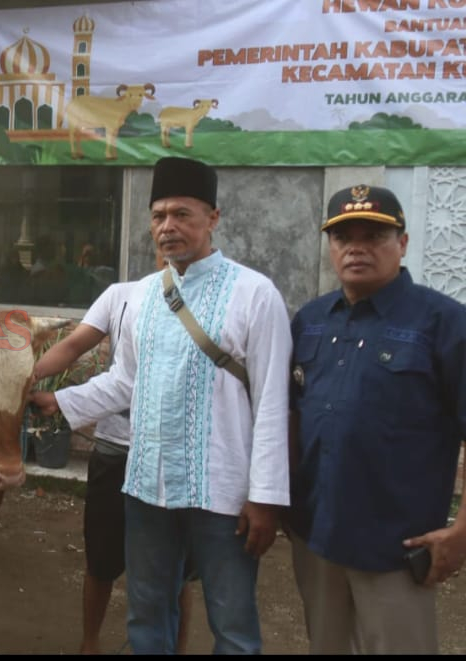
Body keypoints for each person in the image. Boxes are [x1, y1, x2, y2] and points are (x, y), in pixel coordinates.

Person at [31, 156, 292, 653]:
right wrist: (60, 402)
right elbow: (125, 382)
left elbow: (273, 403)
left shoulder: (256, 294)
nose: (168, 227)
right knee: (147, 617)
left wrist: (265, 498)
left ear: (213, 218)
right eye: (158, 216)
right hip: (147, 488)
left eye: (182, 214)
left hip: (223, 493)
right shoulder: (145, 296)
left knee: (233, 625)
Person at [287, 185, 466, 654]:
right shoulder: (310, 320)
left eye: (374, 236)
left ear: (402, 244)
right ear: (330, 247)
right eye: (344, 237)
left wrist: (463, 530)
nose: (357, 248)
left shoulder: (444, 323)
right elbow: (289, 415)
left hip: (395, 546)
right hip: (316, 535)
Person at [32, 262, 193, 655]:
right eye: (162, 226)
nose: (170, 257)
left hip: (168, 453)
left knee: (177, 568)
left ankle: (176, 647)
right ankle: (90, 643)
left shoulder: (202, 303)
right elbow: (72, 346)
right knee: (101, 558)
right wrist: (23, 379)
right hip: (114, 448)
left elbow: (129, 384)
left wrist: (61, 400)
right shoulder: (121, 295)